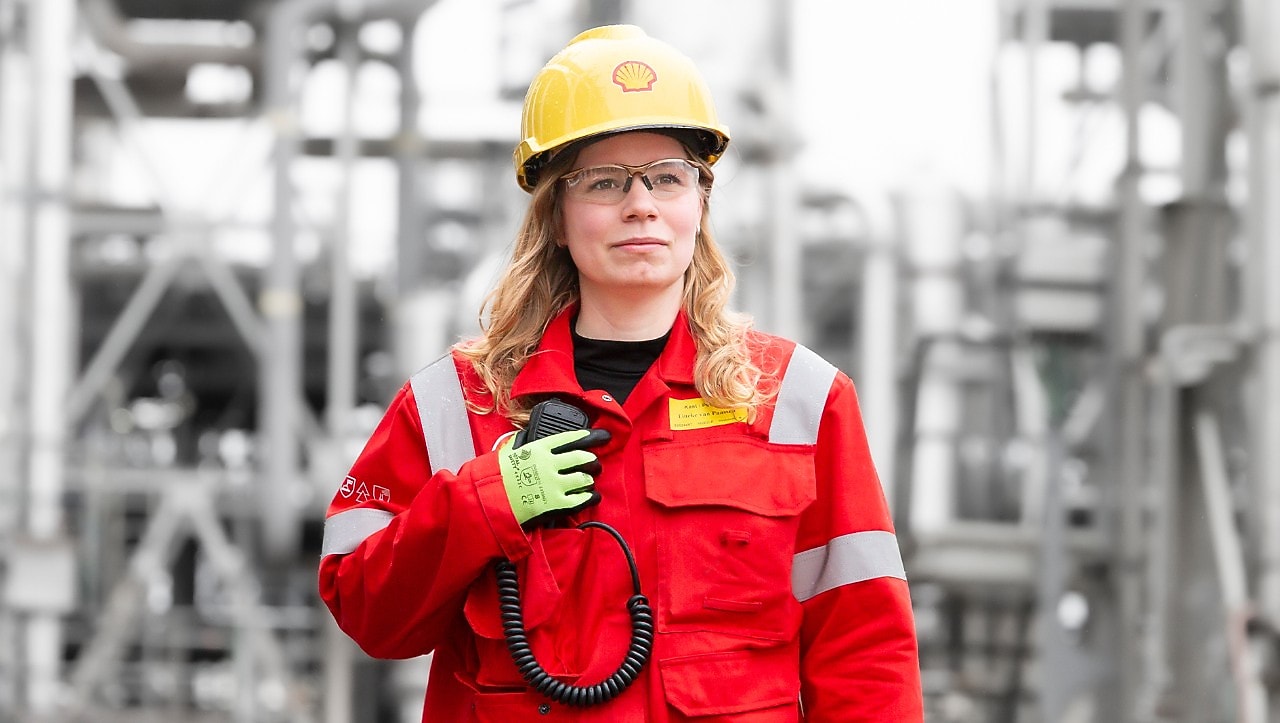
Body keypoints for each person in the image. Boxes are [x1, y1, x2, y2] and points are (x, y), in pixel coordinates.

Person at [318, 24, 923, 722]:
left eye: (667, 177)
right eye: (604, 181)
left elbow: (866, 656)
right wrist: (486, 502)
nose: (641, 204)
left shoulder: (801, 401)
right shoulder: (456, 403)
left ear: (699, 203)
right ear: (557, 216)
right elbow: (368, 611)